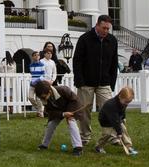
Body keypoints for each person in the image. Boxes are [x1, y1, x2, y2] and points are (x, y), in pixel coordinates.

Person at [72, 14, 119, 146]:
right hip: (85, 83)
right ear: (97, 25)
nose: (106, 31)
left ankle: (111, 136)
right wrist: (79, 81)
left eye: (108, 29)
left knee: (109, 110)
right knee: (84, 111)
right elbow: (77, 61)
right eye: (104, 28)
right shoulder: (84, 39)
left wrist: (112, 82)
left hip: (104, 83)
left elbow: (114, 63)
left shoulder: (112, 40)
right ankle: (84, 136)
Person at [33, 81, 84, 156]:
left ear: (49, 91)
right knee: (51, 125)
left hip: (71, 107)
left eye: (43, 97)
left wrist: (69, 112)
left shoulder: (64, 90)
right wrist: (63, 114)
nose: (42, 99)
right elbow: (50, 112)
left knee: (71, 122)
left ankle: (78, 148)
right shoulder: (44, 99)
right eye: (41, 97)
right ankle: (44, 144)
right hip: (58, 111)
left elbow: (74, 100)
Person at [94, 86, 137, 155]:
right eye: (126, 102)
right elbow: (114, 120)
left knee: (124, 130)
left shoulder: (123, 102)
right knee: (107, 134)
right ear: (120, 96)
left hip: (116, 119)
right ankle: (98, 147)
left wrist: (123, 118)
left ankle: (128, 146)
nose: (127, 104)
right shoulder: (111, 105)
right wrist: (119, 133)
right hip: (106, 121)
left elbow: (122, 111)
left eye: (129, 102)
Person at [28, 51, 46, 117]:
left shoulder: (42, 65)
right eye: (35, 55)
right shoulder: (30, 66)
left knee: (38, 99)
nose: (37, 56)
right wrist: (33, 81)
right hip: (32, 84)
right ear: (32, 57)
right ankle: (39, 109)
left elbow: (43, 75)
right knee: (30, 97)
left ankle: (40, 113)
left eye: (38, 55)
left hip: (39, 84)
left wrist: (37, 80)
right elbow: (32, 74)